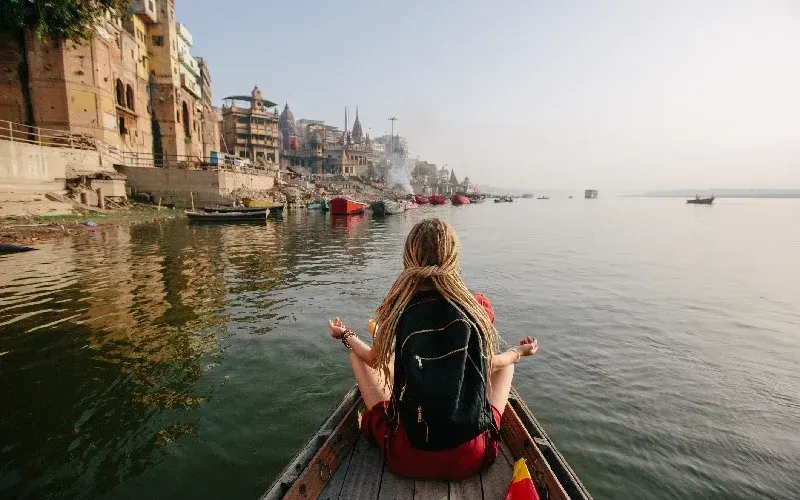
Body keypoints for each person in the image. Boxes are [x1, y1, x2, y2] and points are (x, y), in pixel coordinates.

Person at [327, 218, 538, 481]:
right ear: (453, 257)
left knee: (358, 359)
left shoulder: (398, 307)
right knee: (507, 365)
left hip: (407, 457)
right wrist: (519, 352)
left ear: (409, 258)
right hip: (471, 457)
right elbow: (490, 364)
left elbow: (371, 358)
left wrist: (345, 335)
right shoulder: (477, 307)